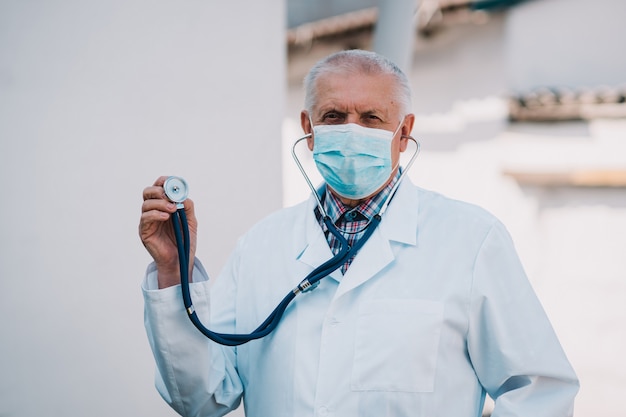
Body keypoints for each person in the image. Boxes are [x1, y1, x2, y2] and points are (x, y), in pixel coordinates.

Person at [139, 50, 579, 417]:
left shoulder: (471, 240)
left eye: (371, 118)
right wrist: (174, 270)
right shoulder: (261, 246)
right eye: (334, 116)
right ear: (308, 130)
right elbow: (202, 398)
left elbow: (539, 390)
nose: (351, 131)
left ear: (403, 132)